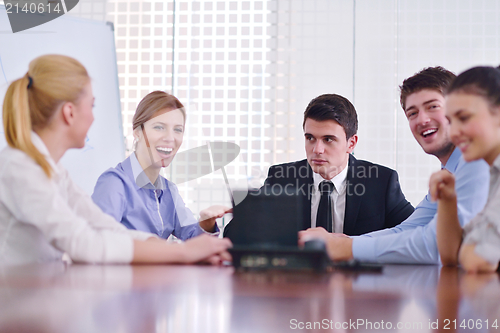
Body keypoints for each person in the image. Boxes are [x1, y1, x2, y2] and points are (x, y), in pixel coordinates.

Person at [0, 54, 231, 265]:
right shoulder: (20, 168)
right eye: (91, 105)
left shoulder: (53, 171)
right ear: (69, 113)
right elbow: (83, 243)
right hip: (16, 303)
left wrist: (184, 249)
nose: (93, 117)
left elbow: (104, 226)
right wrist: (181, 253)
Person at [299, 67, 490, 264]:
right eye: (412, 113)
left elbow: (438, 245)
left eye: (433, 106)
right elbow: (409, 229)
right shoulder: (452, 170)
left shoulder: (478, 162)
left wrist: (346, 247)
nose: (422, 119)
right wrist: (345, 241)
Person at [225, 94, 414, 238]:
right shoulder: (282, 177)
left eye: (328, 139)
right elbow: (235, 236)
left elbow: (415, 234)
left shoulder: (381, 182)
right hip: (298, 284)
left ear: (351, 143)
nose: (317, 150)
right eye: (310, 138)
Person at [91, 91, 229, 240]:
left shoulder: (169, 191)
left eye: (177, 130)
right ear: (137, 132)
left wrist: (206, 223)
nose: (170, 138)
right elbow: (98, 244)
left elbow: (193, 239)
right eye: (159, 127)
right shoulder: (114, 184)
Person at [430, 66, 500, 273]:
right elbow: (450, 255)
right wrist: (448, 201)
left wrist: (469, 251)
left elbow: (479, 262)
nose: (454, 133)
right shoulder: (493, 176)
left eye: (464, 118)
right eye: (451, 122)